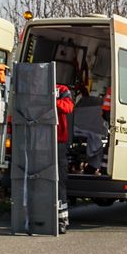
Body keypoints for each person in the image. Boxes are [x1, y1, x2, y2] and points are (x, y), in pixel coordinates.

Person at [55, 83, 74, 232]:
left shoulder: (61, 89)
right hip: (38, 142)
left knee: (60, 181)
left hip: (58, 142)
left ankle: (62, 220)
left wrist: (51, 101)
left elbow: (68, 107)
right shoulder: (33, 87)